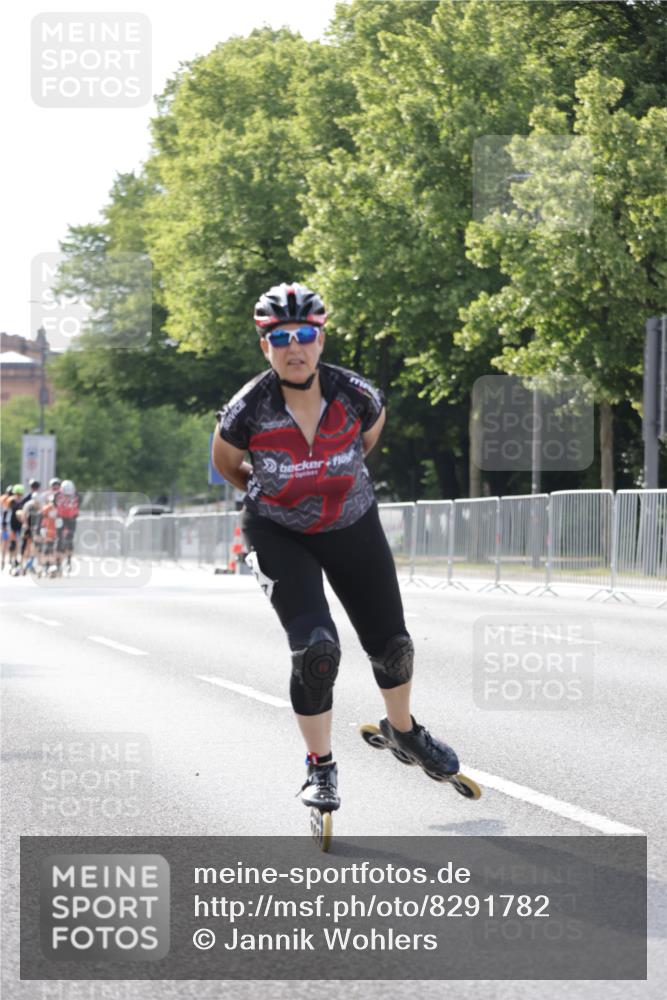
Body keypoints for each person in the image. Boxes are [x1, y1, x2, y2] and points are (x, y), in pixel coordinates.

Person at [212, 282, 461, 814]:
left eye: (305, 335)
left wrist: (329, 482)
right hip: (278, 531)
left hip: (351, 523)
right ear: (265, 346)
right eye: (281, 338)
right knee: (316, 652)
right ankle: (320, 766)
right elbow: (228, 465)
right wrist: (280, 493)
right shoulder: (246, 409)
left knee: (393, 645)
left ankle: (403, 730)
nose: (294, 348)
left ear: (321, 340)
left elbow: (366, 442)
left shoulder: (358, 396)